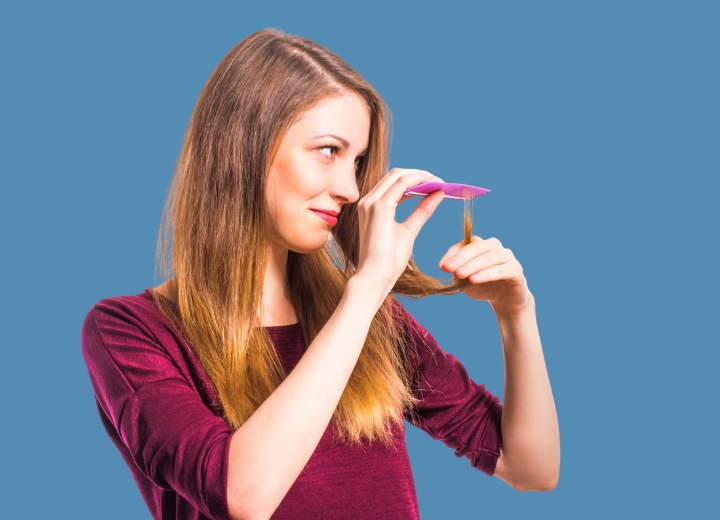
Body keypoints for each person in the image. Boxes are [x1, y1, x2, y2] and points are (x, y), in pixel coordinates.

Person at [81, 28, 559, 520]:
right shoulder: (130, 331)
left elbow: (531, 468)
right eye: (329, 151)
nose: (351, 189)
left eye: (358, 161)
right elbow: (241, 494)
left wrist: (516, 315)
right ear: (242, 147)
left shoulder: (368, 320)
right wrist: (367, 288)